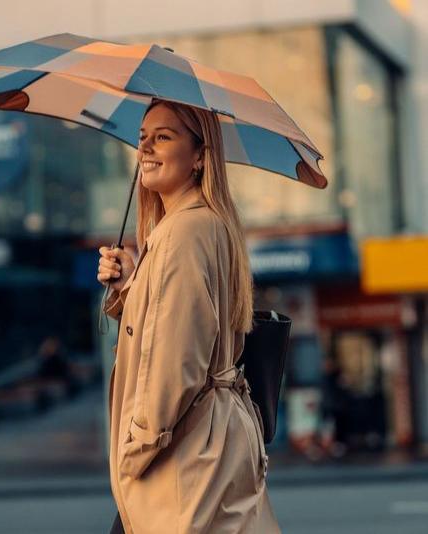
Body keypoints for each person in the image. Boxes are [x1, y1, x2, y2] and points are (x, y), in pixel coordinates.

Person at [97, 98, 281, 533]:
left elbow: (176, 359)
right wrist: (130, 283)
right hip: (209, 440)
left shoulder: (183, 231)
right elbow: (185, 317)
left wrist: (135, 446)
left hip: (184, 447)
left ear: (200, 156)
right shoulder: (199, 223)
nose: (146, 149)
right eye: (142, 138)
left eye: (164, 137)